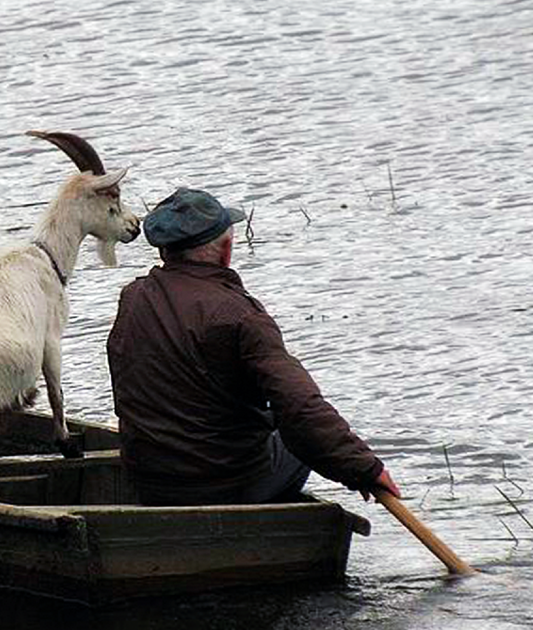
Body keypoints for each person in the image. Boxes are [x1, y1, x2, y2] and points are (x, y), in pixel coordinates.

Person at [107, 187, 401, 506]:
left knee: (277, 418)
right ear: (226, 250)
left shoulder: (133, 298)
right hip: (226, 485)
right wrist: (365, 468)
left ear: (165, 251)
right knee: (297, 433)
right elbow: (300, 407)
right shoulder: (241, 315)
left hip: (149, 482)